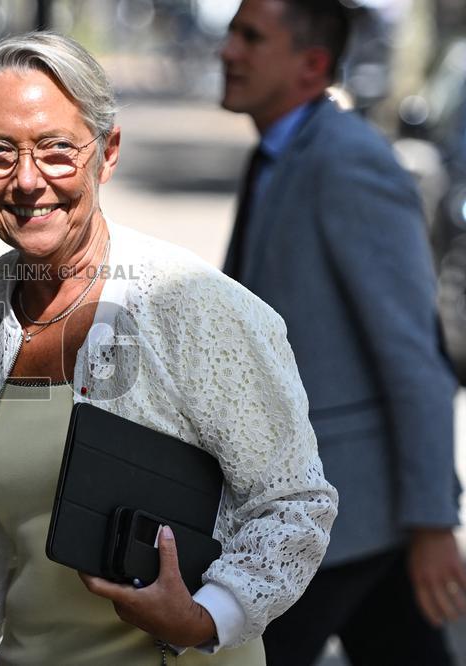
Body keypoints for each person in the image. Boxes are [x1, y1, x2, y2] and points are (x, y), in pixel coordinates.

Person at [0, 32, 337, 666]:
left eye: (56, 149)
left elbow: (294, 502)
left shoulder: (192, 305)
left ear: (107, 153)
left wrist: (204, 616)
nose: (27, 181)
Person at [219, 1, 465, 664]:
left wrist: (434, 520)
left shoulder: (348, 161)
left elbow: (413, 353)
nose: (227, 51)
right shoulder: (279, 153)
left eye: (251, 37)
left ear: (312, 65)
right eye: (231, 31)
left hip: (339, 518)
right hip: (330, 512)